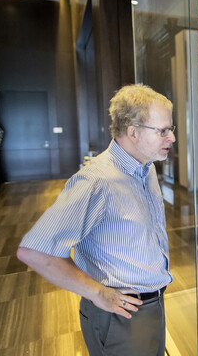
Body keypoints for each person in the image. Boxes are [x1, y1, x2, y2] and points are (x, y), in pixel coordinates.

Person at [17, 84, 176, 355]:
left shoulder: (145, 168)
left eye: (170, 129)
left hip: (151, 306)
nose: (171, 138)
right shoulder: (96, 181)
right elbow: (34, 251)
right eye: (162, 130)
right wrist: (98, 293)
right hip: (121, 317)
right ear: (133, 132)